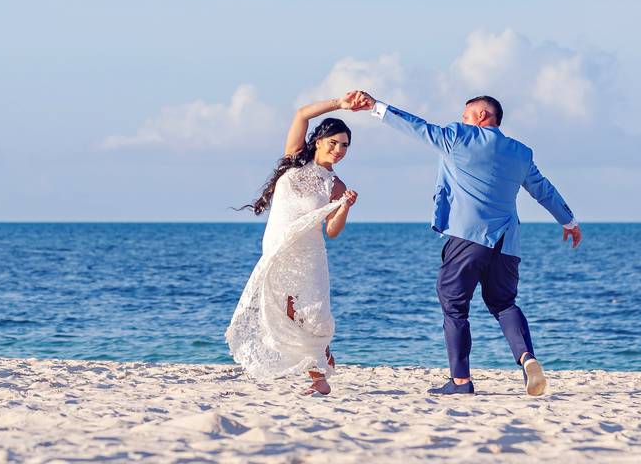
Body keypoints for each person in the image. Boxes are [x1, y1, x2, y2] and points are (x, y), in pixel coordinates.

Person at [347, 91, 581, 396]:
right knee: (503, 303)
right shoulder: (521, 152)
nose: (461, 120)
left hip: (469, 235)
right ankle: (527, 358)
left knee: (454, 304)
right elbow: (542, 189)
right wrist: (568, 221)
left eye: (466, 115)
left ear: (482, 116)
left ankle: (460, 381)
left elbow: (417, 127)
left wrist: (376, 107)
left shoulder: (459, 137)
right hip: (507, 242)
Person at [225, 94, 359, 396]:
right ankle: (321, 357)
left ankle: (318, 376)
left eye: (345, 145)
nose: (339, 150)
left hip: (307, 253)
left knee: (305, 311)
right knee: (282, 310)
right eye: (334, 142)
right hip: (277, 246)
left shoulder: (335, 185)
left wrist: (345, 206)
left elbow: (332, 231)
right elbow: (301, 114)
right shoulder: (294, 158)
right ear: (319, 141)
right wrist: (341, 103)